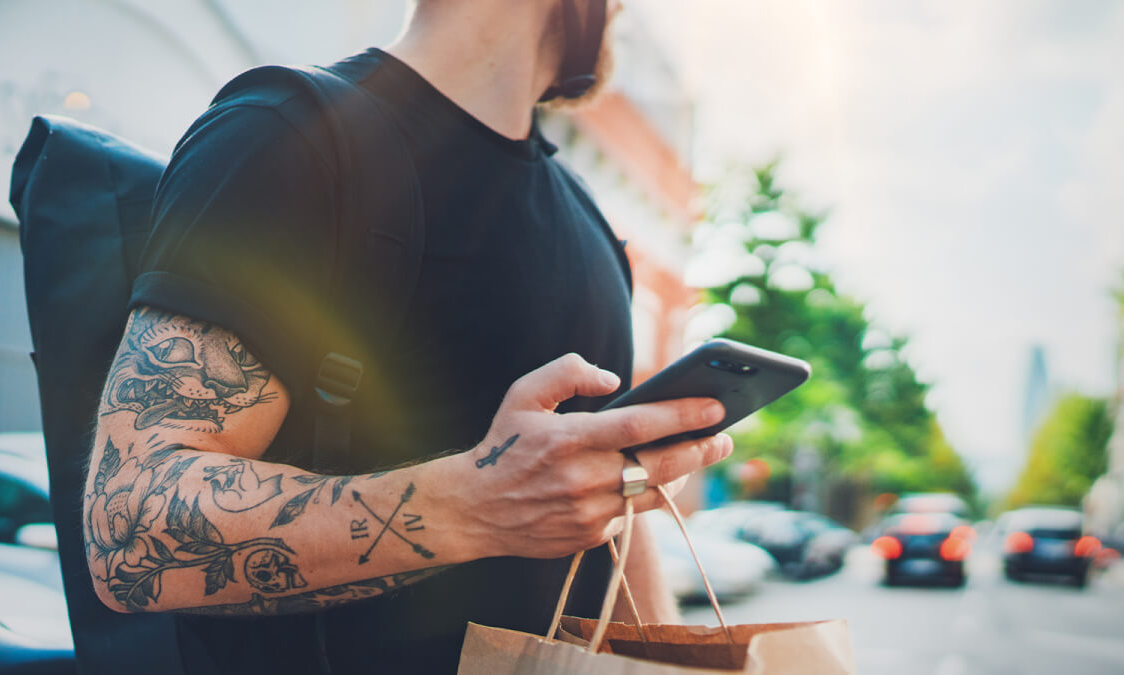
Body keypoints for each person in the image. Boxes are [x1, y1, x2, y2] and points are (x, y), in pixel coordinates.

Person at [81, 0, 732, 672]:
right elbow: (130, 526)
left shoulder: (589, 225)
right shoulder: (289, 135)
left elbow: (616, 518)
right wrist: (479, 505)